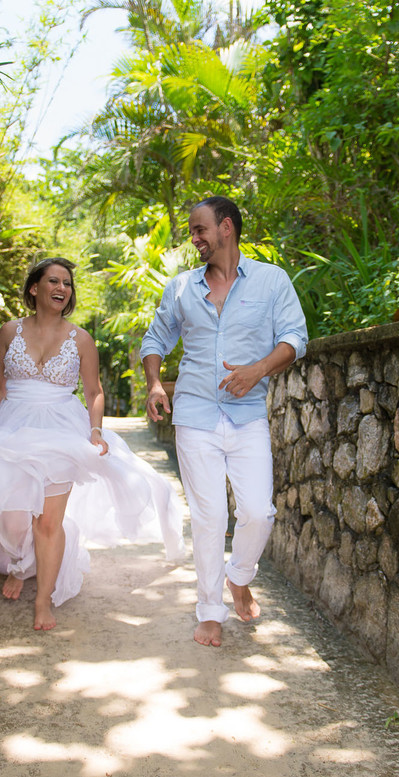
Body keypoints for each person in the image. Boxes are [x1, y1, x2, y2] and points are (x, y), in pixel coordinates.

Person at [0, 257, 184, 631]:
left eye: (67, 283)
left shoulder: (82, 339)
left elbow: (94, 391)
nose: (62, 288)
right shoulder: (9, 331)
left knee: (47, 522)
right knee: (13, 519)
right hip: (14, 426)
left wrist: (95, 430)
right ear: (34, 288)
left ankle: (43, 600)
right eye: (54, 281)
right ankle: (19, 564)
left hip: (62, 428)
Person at [141, 196, 308, 647]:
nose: (194, 239)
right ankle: (210, 611)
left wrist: (257, 370)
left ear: (226, 228)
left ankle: (240, 576)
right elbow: (155, 339)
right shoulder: (181, 288)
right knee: (210, 517)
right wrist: (155, 383)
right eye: (192, 232)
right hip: (194, 414)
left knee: (258, 511)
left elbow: (295, 338)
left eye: (200, 230)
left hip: (247, 413)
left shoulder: (272, 281)